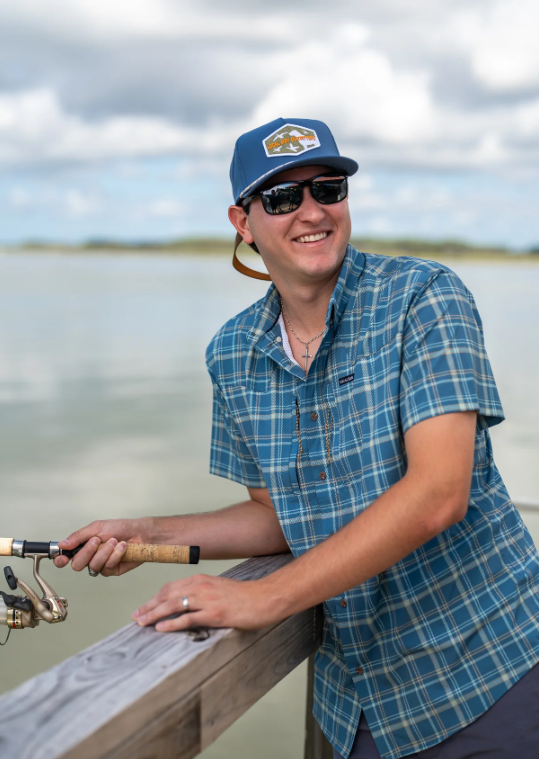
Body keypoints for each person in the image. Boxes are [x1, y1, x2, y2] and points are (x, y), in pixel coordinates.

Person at [55, 118, 539, 759]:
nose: (312, 211)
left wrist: (263, 598)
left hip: (491, 676)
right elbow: (276, 516)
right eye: (283, 197)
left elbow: (439, 494)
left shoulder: (424, 297)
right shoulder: (233, 352)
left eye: (328, 188)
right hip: (357, 709)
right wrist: (147, 533)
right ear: (243, 222)